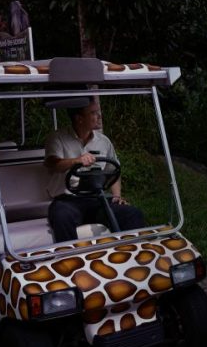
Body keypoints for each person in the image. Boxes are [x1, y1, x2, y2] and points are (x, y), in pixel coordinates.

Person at [44, 97, 145, 242]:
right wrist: (76, 161)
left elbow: (114, 170)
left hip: (97, 200)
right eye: (93, 113)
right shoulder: (57, 138)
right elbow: (52, 163)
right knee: (61, 216)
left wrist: (116, 196)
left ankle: (130, 257)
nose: (99, 116)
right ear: (79, 119)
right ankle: (70, 261)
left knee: (133, 214)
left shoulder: (103, 141)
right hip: (67, 201)